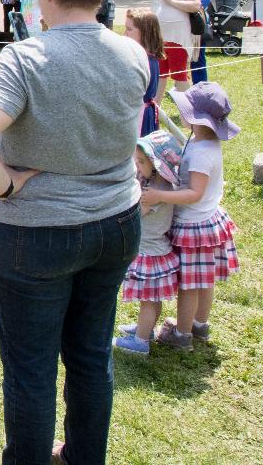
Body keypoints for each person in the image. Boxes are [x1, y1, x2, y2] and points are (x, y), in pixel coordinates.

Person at [0, 0, 147, 464]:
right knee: (90, 357)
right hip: (116, 224)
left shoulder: (26, 57)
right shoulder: (133, 53)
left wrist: (5, 187)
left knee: (31, 368)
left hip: (37, 234)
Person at [141, 82, 240, 351]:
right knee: (203, 279)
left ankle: (182, 334)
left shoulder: (201, 153)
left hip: (194, 225)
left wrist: (160, 196)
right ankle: (199, 324)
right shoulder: (203, 142)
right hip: (208, 220)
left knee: (190, 285)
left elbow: (194, 193)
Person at [113, 131, 184, 356]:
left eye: (142, 162)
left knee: (147, 300)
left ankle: (141, 341)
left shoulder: (154, 192)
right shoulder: (162, 184)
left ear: (156, 165)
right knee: (153, 299)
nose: (137, 164)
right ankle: (147, 329)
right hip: (159, 251)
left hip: (148, 252)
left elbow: (136, 214)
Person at [131, 0, 200, 101]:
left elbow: (195, 6)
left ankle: (192, 113)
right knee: (159, 75)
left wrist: (172, 1)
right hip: (157, 38)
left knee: (179, 75)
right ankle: (155, 112)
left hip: (178, 39)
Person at [124, 8, 165, 137]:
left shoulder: (144, 60)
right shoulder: (145, 57)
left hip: (139, 117)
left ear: (145, 33)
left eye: (129, 29)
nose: (124, 34)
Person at [188, 0, 212, 84]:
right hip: (183, 25)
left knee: (198, 58)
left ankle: (201, 85)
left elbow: (200, 4)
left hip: (197, 25)